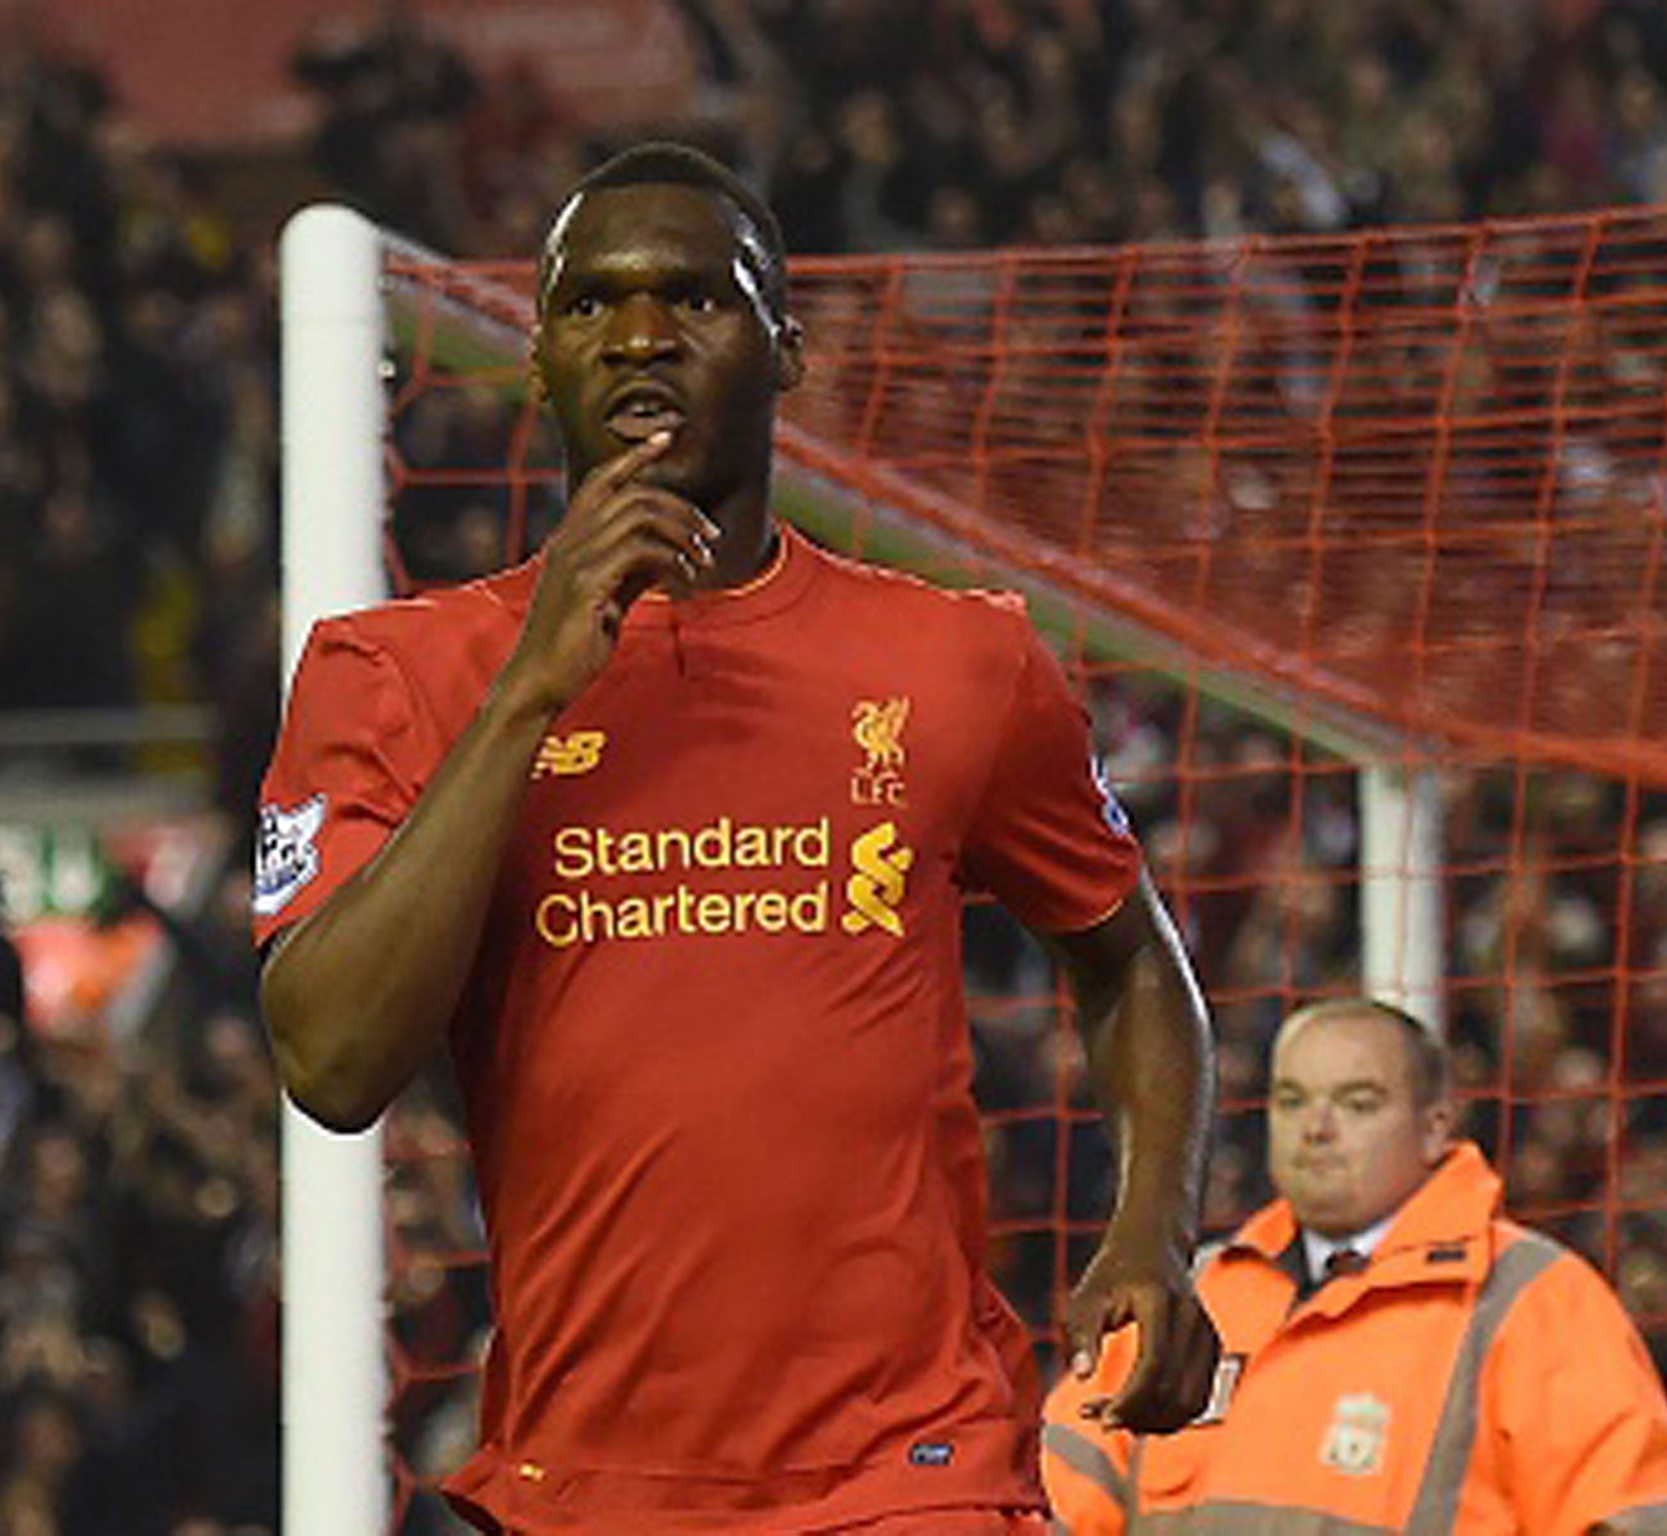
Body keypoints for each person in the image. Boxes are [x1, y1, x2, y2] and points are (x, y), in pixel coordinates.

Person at [255, 141, 1219, 1534]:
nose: (641, 335)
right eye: (592, 304)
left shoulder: (959, 661)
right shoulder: (396, 674)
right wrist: (532, 687)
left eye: (697, 299)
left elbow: (1133, 963)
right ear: (538, 360)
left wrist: (1153, 1228)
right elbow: (332, 1062)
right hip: (581, 1487)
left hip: (916, 1472)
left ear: (787, 350)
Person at [1041, 997, 1667, 1534]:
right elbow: (1054, 1504)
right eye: (1292, 1099)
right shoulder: (1188, 1298)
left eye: (1358, 1103)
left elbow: (1633, 1515)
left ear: (1434, 1126)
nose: (1317, 1127)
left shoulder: (1531, 1300)